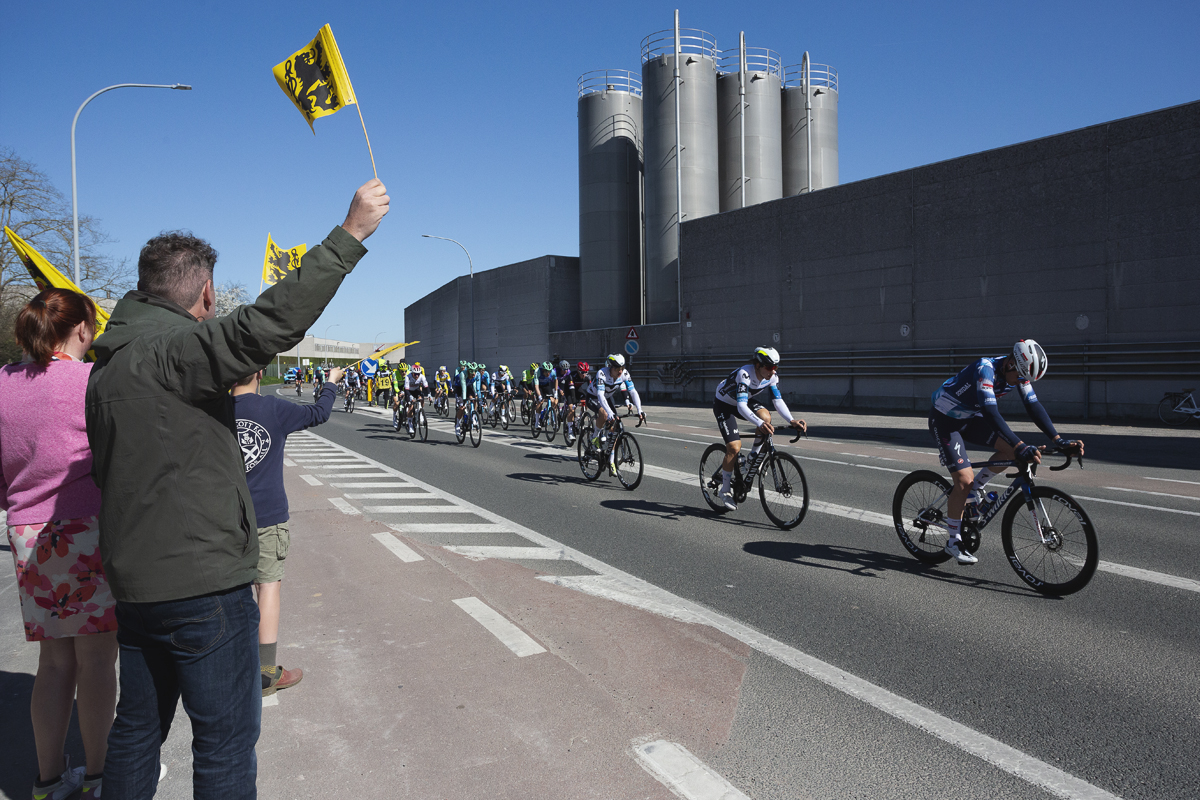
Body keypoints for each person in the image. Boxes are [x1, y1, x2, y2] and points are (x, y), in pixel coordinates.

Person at [86, 177, 388, 799]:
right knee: (224, 745)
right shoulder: (172, 354)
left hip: (136, 585)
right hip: (202, 585)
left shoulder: (109, 366)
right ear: (204, 295)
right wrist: (349, 235)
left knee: (136, 731)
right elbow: (267, 325)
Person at [1, 288, 116, 800]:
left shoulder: (3, 383)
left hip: (27, 533)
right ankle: (98, 776)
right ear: (83, 329)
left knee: (52, 665)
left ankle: (47, 782)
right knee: (97, 663)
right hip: (86, 530)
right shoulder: (93, 382)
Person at [232, 365, 340, 697]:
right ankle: (265, 674)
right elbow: (319, 413)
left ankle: (232, 666)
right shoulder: (273, 409)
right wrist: (330, 383)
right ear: (260, 373)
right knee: (268, 589)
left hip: (225, 519)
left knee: (232, 594)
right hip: (267, 518)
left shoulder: (212, 411)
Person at [929, 339, 1083, 565]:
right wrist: (1021, 445)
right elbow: (991, 413)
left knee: (1010, 452)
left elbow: (1033, 406)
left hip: (971, 417)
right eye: (1021, 377)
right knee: (963, 480)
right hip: (945, 420)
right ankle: (953, 541)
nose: (1022, 382)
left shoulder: (1019, 373)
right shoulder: (986, 370)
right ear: (1010, 364)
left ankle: (976, 489)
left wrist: (1058, 440)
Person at [711, 347, 806, 511]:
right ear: (758, 365)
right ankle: (725, 491)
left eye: (775, 367)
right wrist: (759, 425)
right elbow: (741, 406)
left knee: (766, 417)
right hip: (724, 405)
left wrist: (792, 420)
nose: (772, 371)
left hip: (742, 401)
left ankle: (752, 457)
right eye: (769, 367)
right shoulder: (745, 374)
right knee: (734, 447)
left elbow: (778, 400)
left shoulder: (772, 377)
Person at [585, 354, 647, 473]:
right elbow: (600, 395)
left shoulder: (624, 374)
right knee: (604, 414)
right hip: (593, 396)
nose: (620, 371)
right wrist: (609, 412)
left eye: (622, 368)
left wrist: (640, 410)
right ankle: (594, 438)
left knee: (615, 428)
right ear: (610, 367)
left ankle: (611, 460)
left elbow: (633, 391)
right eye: (617, 368)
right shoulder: (602, 373)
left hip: (606, 397)